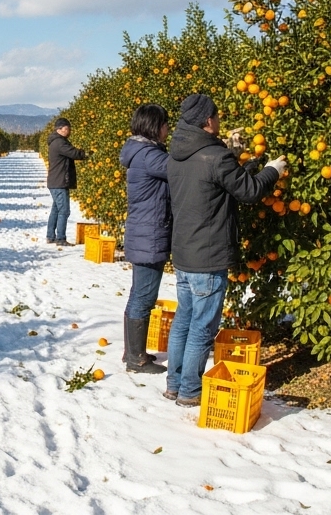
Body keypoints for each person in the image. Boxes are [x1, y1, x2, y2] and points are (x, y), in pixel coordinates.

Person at [164, 93, 284, 406]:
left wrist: (243, 159)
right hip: (208, 255)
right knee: (202, 328)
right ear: (207, 121)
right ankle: (190, 391)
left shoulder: (176, 155)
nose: (219, 120)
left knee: (184, 321)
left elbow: (220, 183)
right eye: (216, 116)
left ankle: (174, 384)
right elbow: (249, 191)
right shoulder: (216, 157)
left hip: (184, 252)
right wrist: (273, 170)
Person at [119, 104, 171, 374]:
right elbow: (181, 170)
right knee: (143, 297)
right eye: (165, 124)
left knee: (138, 294)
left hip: (144, 232)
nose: (168, 130)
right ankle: (136, 359)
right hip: (149, 235)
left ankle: (132, 352)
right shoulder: (150, 156)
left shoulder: (141, 152)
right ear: (154, 126)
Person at [46, 118, 86, 247]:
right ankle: (61, 239)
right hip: (59, 182)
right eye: (67, 129)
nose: (69, 131)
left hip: (56, 181)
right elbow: (74, 153)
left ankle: (51, 236)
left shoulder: (57, 141)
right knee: (64, 211)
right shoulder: (59, 143)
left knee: (56, 210)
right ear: (60, 129)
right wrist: (87, 153)